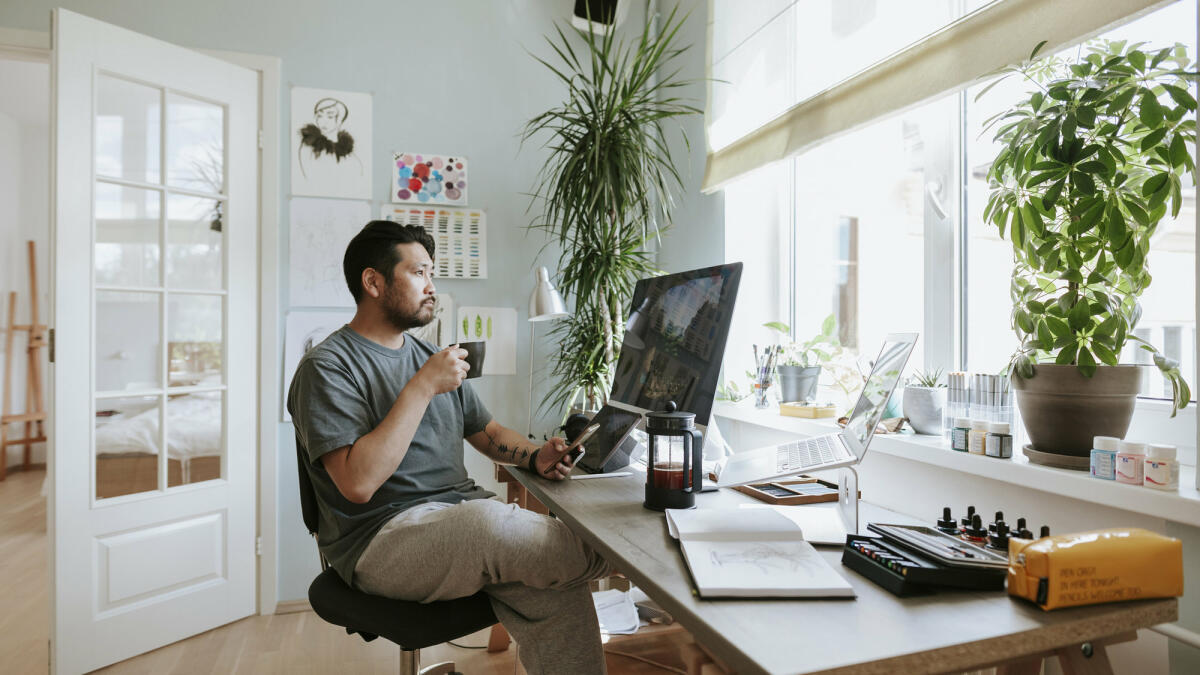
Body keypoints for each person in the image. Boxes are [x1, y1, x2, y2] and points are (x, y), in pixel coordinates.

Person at [287, 220, 610, 675]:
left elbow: (492, 434)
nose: (431, 287)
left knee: (553, 585)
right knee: (491, 524)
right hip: (381, 540)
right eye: (418, 273)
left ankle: (617, 556)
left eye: (432, 273)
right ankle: (630, 559)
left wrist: (536, 455)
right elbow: (357, 484)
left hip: (459, 522)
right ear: (373, 281)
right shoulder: (328, 367)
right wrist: (420, 388)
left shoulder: (431, 358)